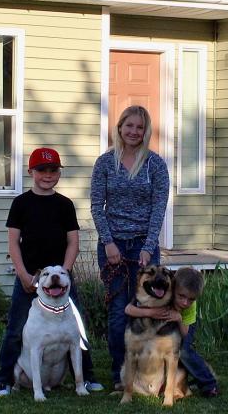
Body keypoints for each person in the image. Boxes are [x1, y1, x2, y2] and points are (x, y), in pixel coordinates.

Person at [0, 147, 104, 397]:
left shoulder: (64, 205)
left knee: (78, 329)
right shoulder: (20, 203)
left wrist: (63, 274)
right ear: (31, 171)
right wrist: (23, 274)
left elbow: (73, 242)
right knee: (16, 328)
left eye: (53, 170)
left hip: (60, 278)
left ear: (59, 173)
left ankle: (86, 378)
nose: (47, 174)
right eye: (42, 170)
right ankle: (4, 379)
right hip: (30, 277)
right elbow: (13, 242)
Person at [90, 105, 170, 389]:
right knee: (118, 312)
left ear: (145, 131)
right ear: (120, 127)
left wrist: (148, 247)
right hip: (113, 247)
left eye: (140, 127)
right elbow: (97, 207)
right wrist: (109, 243)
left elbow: (158, 207)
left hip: (144, 247)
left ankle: (147, 373)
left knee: (146, 311)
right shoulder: (104, 163)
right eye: (129, 126)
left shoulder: (155, 164)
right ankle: (119, 374)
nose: (134, 132)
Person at [125, 267, 219, 398]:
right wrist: (150, 312)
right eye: (181, 296)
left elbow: (185, 333)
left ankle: (209, 383)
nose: (185, 302)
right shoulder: (164, 293)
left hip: (185, 324)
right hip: (166, 327)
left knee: (184, 351)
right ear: (173, 287)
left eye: (191, 299)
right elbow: (129, 309)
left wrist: (179, 318)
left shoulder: (190, 307)